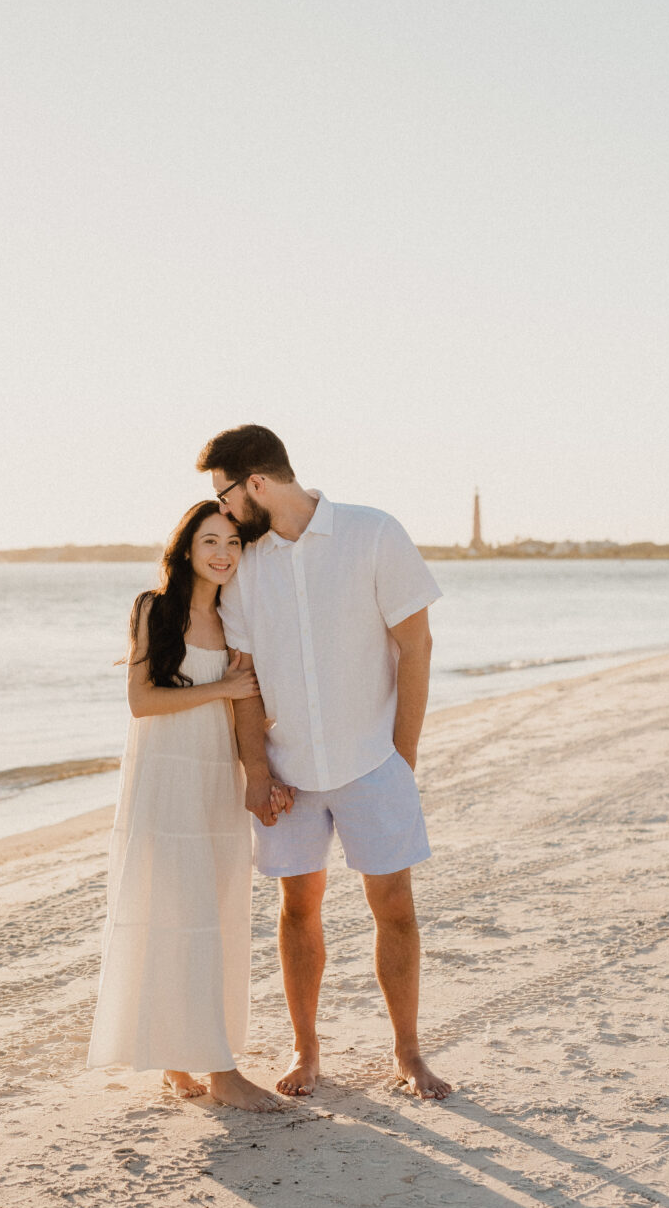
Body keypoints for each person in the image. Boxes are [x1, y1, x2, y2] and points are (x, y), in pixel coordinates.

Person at [196, 425, 453, 1102]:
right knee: (296, 906)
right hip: (288, 772)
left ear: (254, 483)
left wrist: (402, 756)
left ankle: (407, 1051)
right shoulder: (244, 566)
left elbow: (416, 646)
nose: (221, 513)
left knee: (392, 904)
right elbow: (244, 677)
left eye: (223, 496)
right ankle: (306, 1050)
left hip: (373, 760)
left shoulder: (372, 533)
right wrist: (258, 770)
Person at [87, 500, 282, 1112]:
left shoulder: (237, 619)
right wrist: (220, 687)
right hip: (164, 780)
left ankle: (184, 1056)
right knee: (173, 909)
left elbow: (250, 709)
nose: (223, 553)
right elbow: (142, 702)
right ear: (186, 549)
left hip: (214, 780)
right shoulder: (155, 609)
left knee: (213, 914)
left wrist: (261, 777)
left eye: (232, 542)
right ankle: (214, 1069)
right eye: (209, 542)